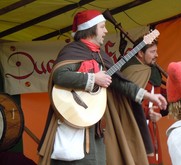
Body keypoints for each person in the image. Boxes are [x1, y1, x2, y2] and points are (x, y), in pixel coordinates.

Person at [37, 9, 167, 165]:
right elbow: (59, 75)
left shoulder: (100, 55)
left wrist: (149, 96)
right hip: (74, 122)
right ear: (91, 29)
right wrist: (93, 78)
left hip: (97, 125)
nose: (106, 31)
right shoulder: (72, 51)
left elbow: (120, 82)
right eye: (102, 27)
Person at [121, 35, 168, 165]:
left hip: (151, 127)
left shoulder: (152, 70)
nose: (157, 55)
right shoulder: (131, 72)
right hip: (135, 126)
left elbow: (157, 92)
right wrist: (147, 112)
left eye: (156, 51)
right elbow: (127, 102)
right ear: (140, 53)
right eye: (152, 52)